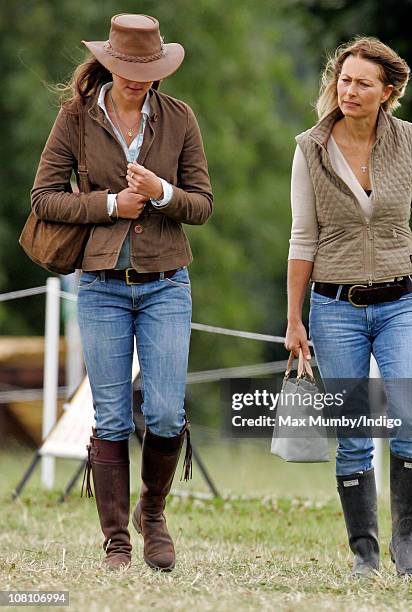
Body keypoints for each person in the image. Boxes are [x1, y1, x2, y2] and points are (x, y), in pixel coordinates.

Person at [31, 14, 213, 571]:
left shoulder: (180, 119)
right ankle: (116, 542)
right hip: (102, 287)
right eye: (128, 70)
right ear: (110, 64)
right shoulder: (76, 117)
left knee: (163, 411)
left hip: (166, 285)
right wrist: (111, 205)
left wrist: (161, 193)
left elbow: (202, 205)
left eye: (147, 70)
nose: (138, 79)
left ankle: (151, 512)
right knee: (110, 418)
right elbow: (43, 199)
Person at [285, 36, 412, 580]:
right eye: (344, 80)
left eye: (364, 83)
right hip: (333, 306)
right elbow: (301, 238)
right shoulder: (309, 147)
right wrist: (294, 320)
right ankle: (364, 552)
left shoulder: (411, 141)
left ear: (387, 92)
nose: (350, 90)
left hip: (401, 303)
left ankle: (404, 542)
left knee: (409, 417)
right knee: (353, 428)